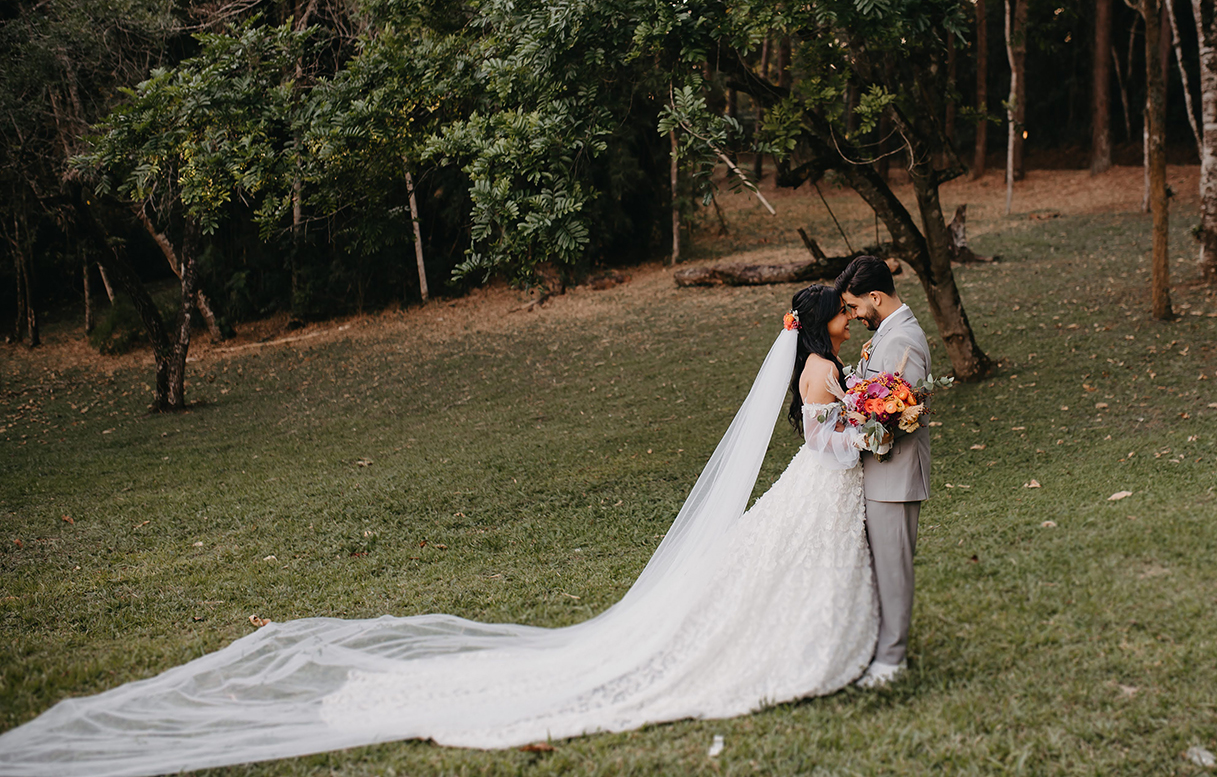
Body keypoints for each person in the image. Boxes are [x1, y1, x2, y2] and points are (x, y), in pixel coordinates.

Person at [0, 285, 879, 777]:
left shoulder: (823, 358)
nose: (847, 316)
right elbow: (819, 432)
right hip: (821, 479)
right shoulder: (813, 369)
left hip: (824, 487)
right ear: (823, 318)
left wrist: (871, 416)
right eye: (840, 310)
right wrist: (870, 426)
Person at [834, 255, 931, 688]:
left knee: (894, 569)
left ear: (875, 297)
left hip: (895, 477)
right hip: (878, 475)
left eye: (855, 307)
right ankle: (878, 646)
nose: (854, 316)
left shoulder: (903, 338)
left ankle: (892, 661)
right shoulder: (887, 336)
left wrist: (849, 416)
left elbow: (897, 413)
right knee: (880, 567)